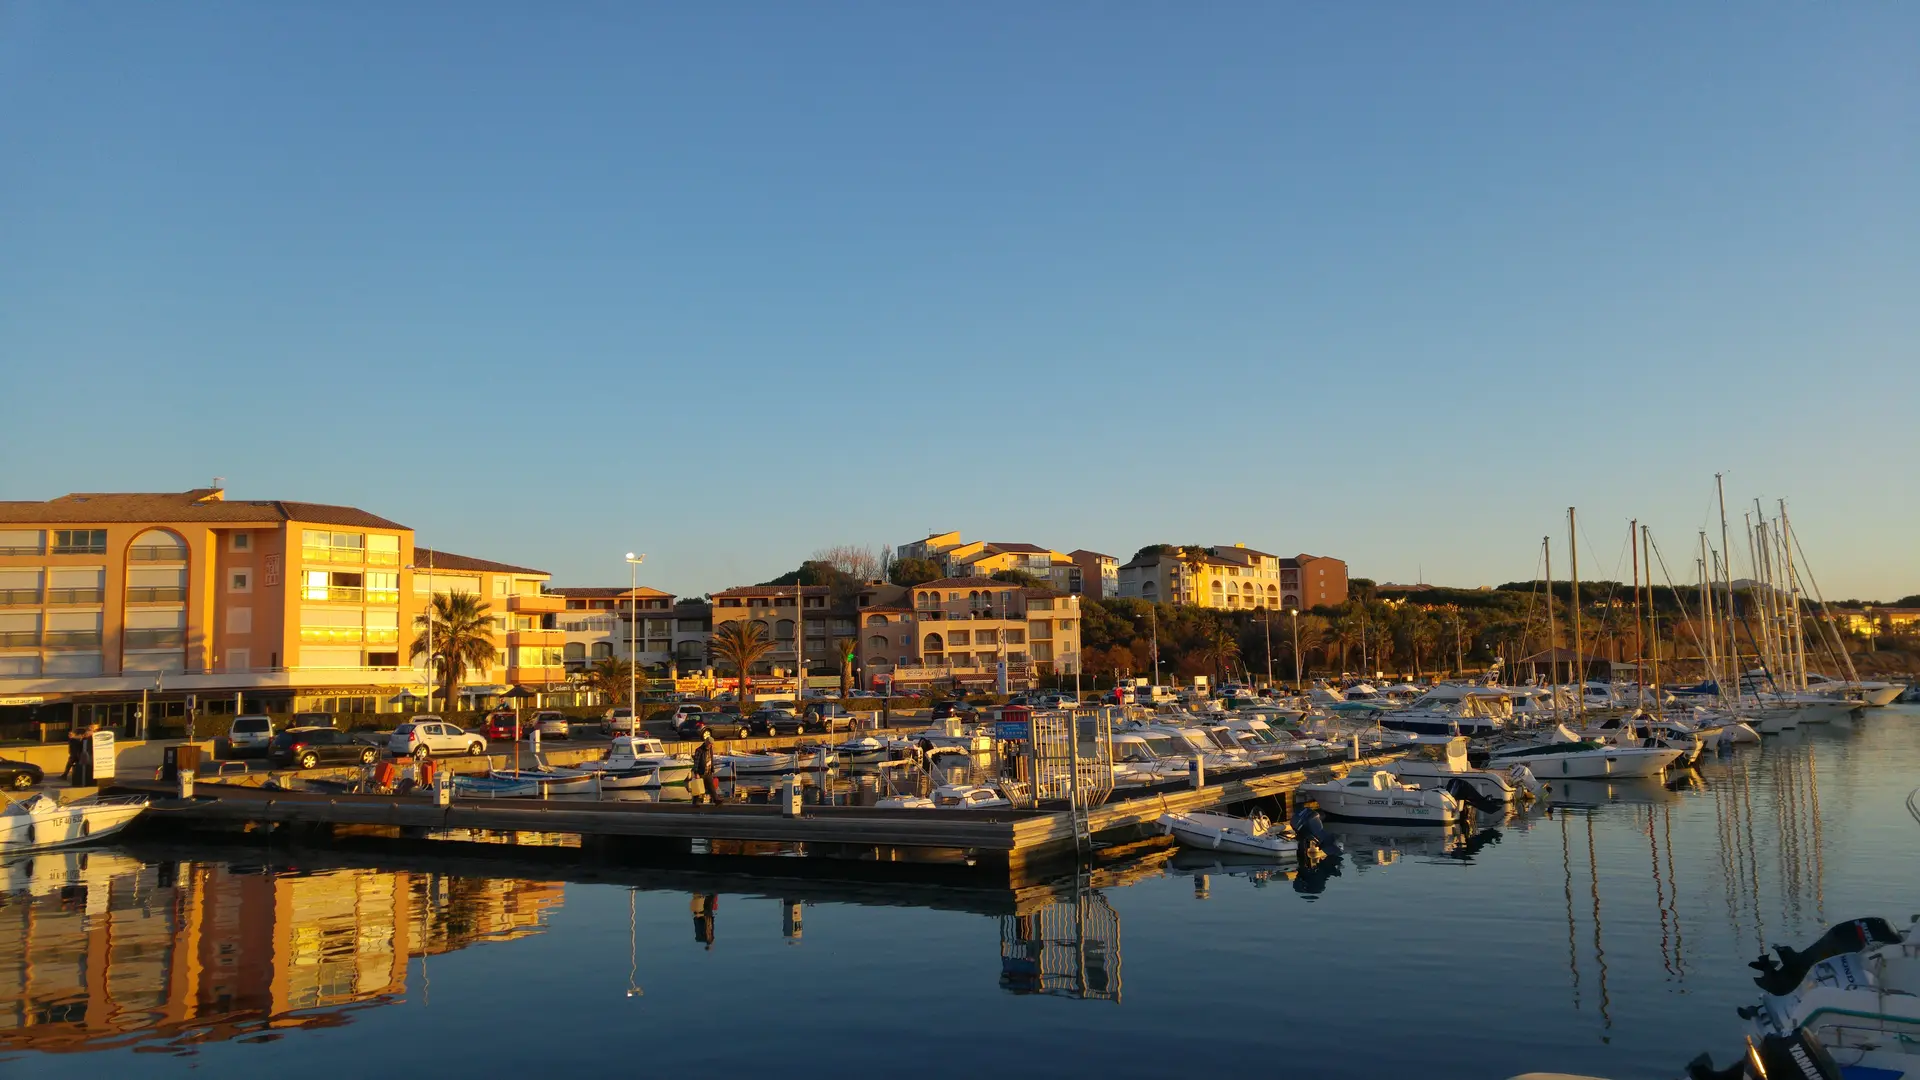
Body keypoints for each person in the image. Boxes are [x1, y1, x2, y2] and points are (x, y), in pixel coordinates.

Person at [692, 729, 717, 803]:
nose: (711, 745)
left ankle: (716, 800)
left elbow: (711, 759)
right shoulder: (699, 750)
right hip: (701, 772)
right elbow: (696, 762)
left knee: (711, 787)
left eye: (712, 744)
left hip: (708, 772)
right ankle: (695, 802)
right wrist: (696, 773)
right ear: (706, 742)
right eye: (710, 743)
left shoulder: (710, 749)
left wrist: (712, 769)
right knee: (698, 788)